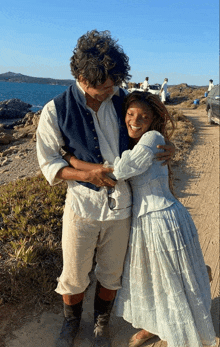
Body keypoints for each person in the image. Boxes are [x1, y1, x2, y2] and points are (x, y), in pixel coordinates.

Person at [36, 30, 174, 347]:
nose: (110, 90)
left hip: (123, 208)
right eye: (103, 85)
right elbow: (49, 162)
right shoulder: (55, 110)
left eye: (114, 82)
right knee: (73, 275)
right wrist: (87, 175)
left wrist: (170, 145)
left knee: (111, 273)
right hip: (81, 209)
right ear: (82, 77)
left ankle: (101, 324)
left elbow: (152, 125)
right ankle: (71, 324)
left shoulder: (122, 100)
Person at [108, 91, 216, 347]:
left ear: (153, 120)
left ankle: (182, 334)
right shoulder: (139, 141)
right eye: (130, 114)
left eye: (143, 116)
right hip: (146, 221)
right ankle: (152, 325)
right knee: (152, 277)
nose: (135, 120)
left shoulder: (153, 137)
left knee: (169, 278)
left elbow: (122, 170)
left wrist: (78, 161)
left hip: (163, 220)